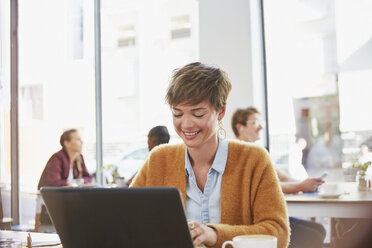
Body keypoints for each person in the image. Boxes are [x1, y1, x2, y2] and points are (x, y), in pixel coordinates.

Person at [131, 62, 289, 248]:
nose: (187, 124)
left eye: (198, 114)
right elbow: (126, 218)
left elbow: (278, 233)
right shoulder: (159, 159)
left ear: (220, 112)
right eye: (178, 114)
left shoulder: (254, 159)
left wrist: (214, 234)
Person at [231, 106, 326, 248]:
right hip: (254, 221)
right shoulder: (237, 153)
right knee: (314, 236)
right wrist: (300, 186)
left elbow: (281, 177)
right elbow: (263, 187)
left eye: (261, 122)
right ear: (240, 128)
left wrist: (307, 183)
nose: (261, 127)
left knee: (319, 229)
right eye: (255, 123)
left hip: (269, 215)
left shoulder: (258, 152)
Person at [37, 129, 92, 227]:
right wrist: (73, 184)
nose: (81, 142)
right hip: (52, 198)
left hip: (68, 197)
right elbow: (54, 183)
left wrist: (76, 182)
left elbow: (88, 177)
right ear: (67, 143)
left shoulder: (79, 158)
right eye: (78, 139)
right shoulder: (57, 158)